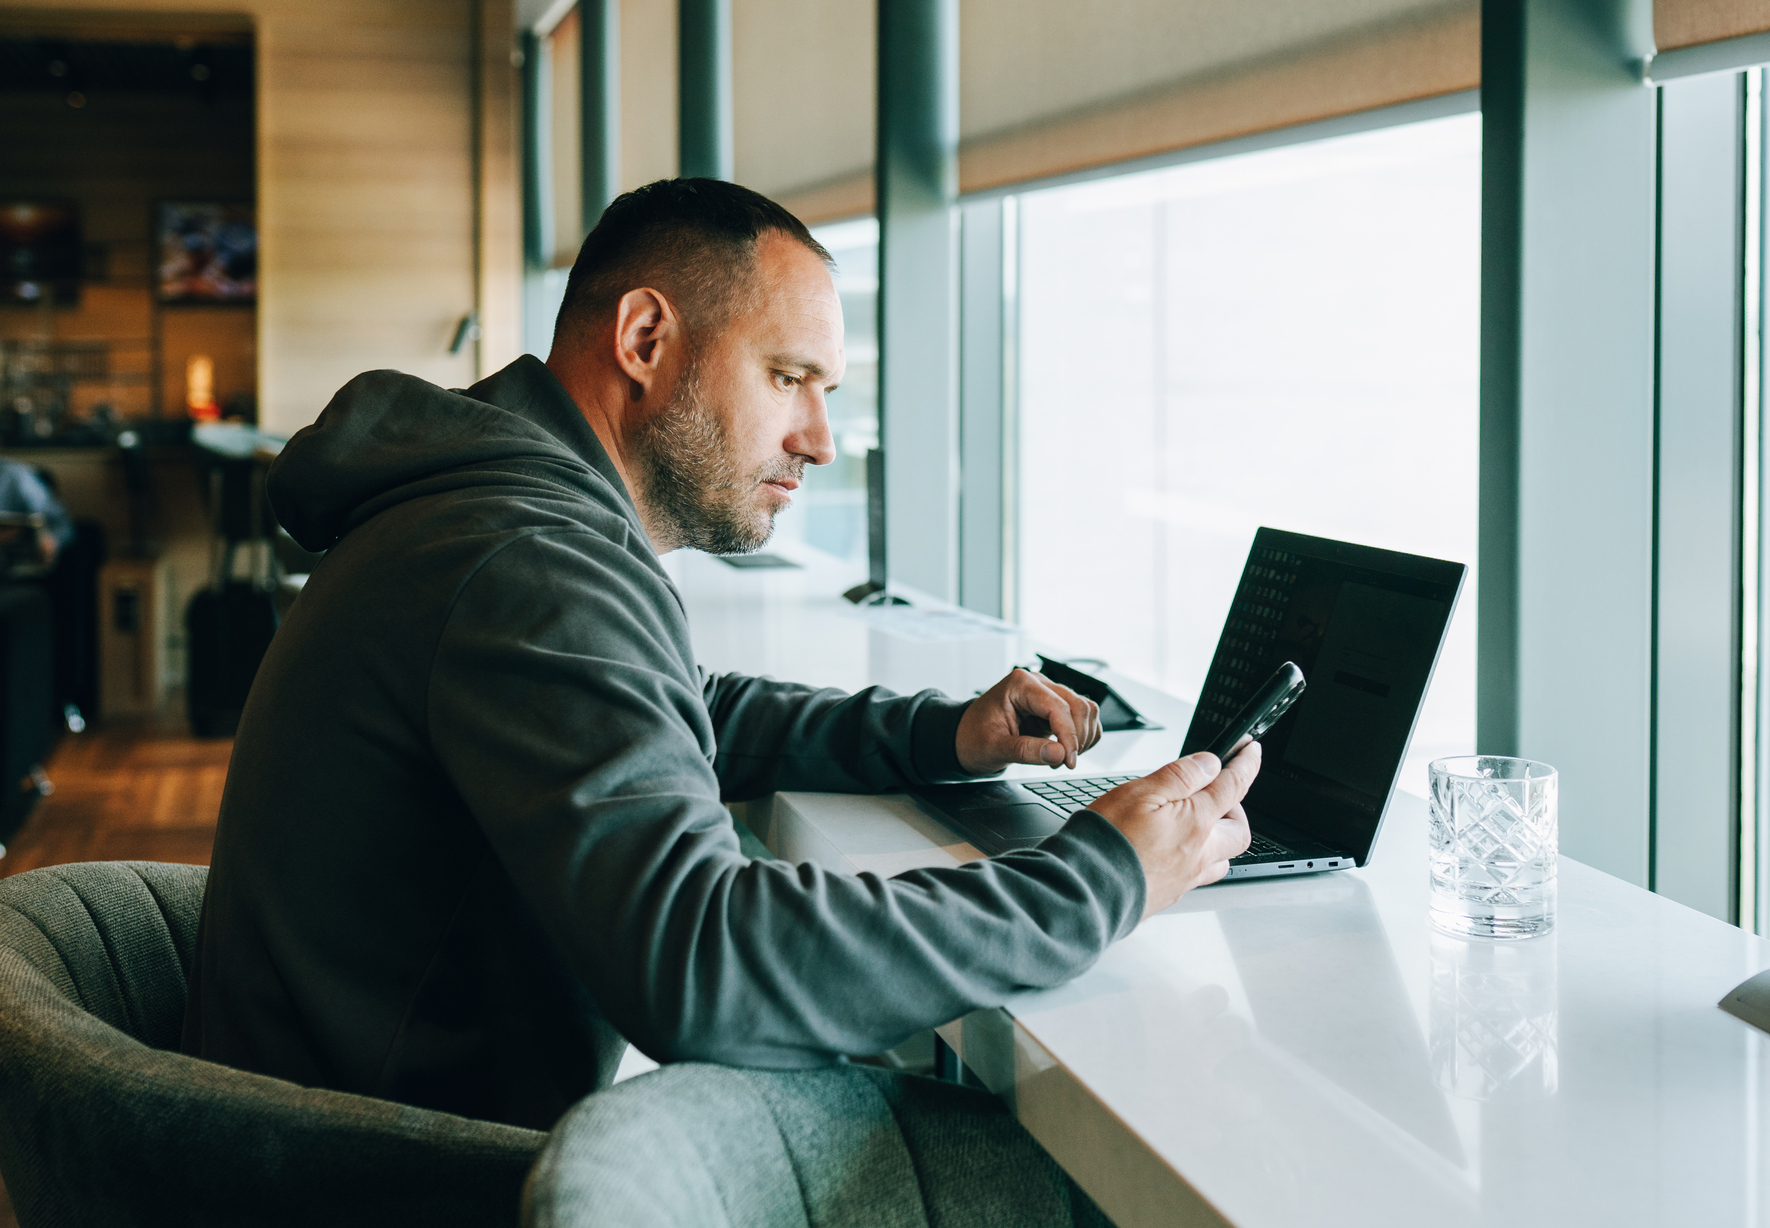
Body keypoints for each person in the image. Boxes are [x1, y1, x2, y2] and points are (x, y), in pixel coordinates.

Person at [182, 180, 1259, 1130]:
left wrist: (942, 732)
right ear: (645, 339)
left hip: (346, 1152)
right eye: (791, 377)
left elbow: (673, 708)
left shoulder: (494, 509)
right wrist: (1101, 875)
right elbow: (702, 960)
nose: (821, 440)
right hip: (392, 1227)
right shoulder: (526, 557)